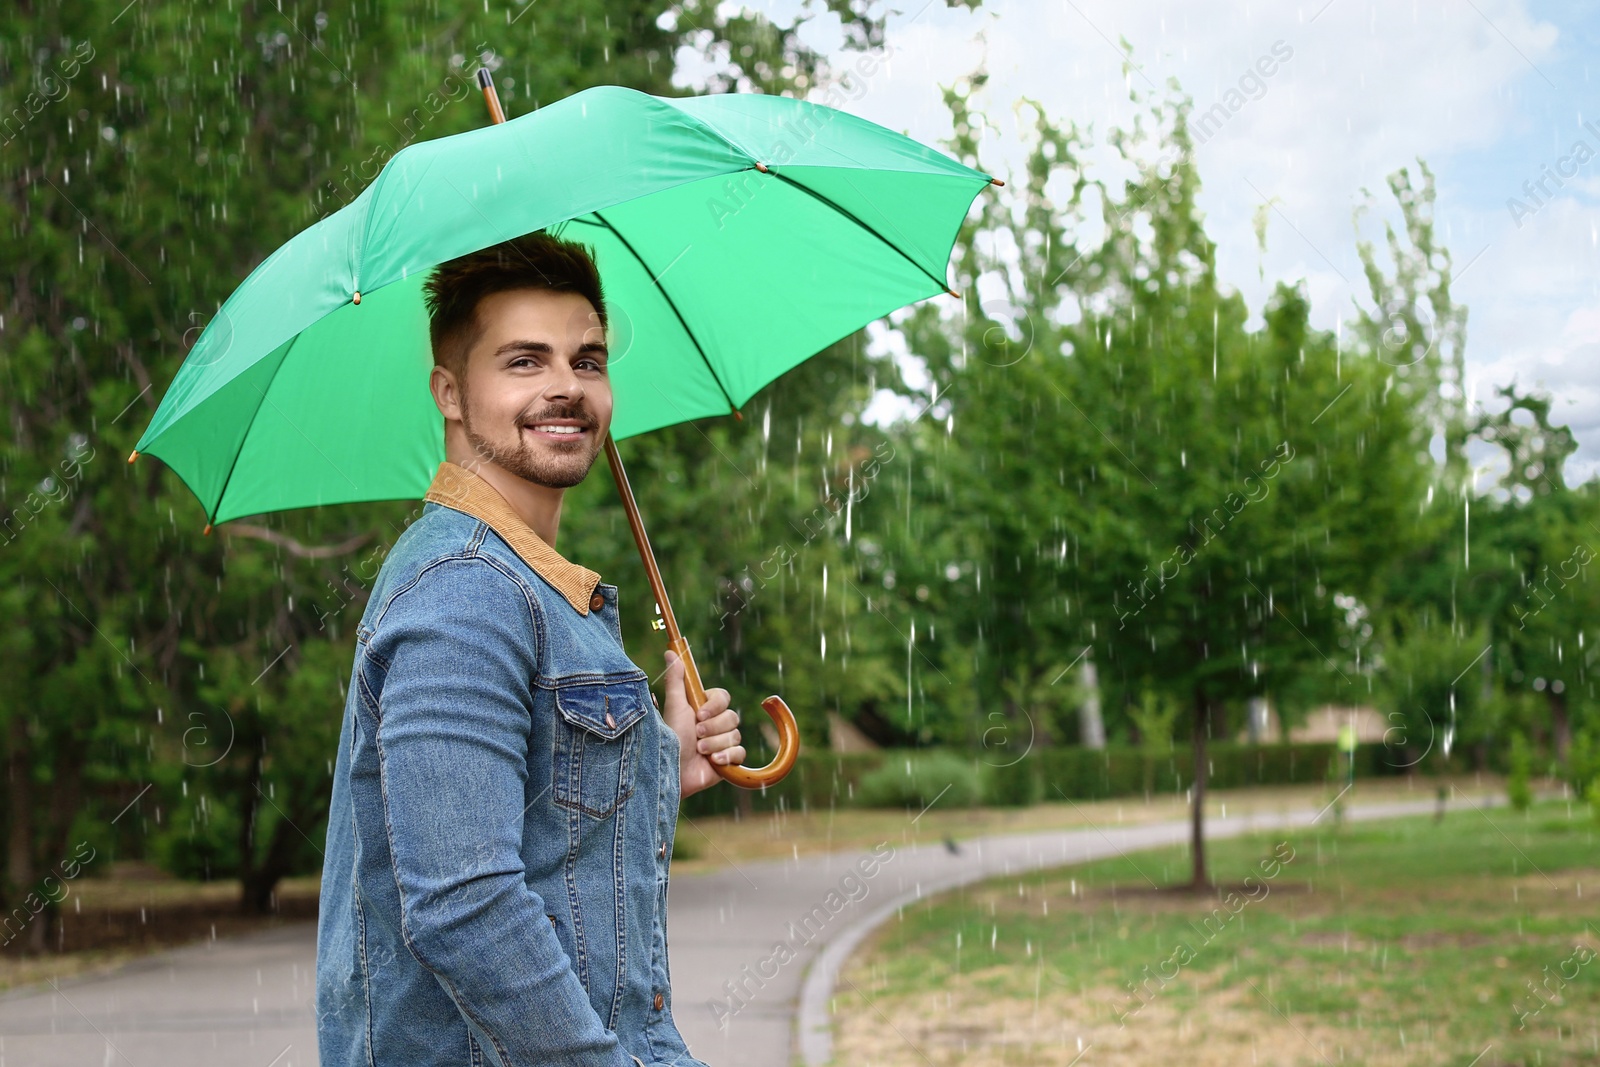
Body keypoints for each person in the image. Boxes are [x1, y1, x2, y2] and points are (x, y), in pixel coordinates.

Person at [316, 230, 745, 1066]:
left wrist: (661, 763)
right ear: (449, 391)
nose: (566, 388)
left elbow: (541, 837)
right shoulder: (465, 592)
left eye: (587, 360)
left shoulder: (527, 582)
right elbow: (464, 904)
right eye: (524, 362)